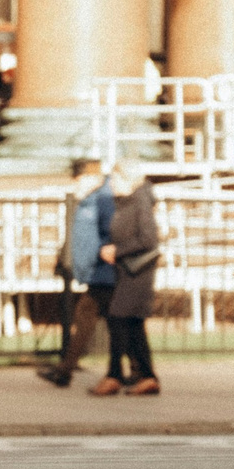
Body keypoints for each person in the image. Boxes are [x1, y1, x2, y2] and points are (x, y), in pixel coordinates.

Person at [39, 158, 111, 388]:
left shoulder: (102, 200)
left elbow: (107, 234)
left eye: (78, 180)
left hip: (105, 271)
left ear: (90, 178)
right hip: (99, 271)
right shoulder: (92, 200)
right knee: (106, 322)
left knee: (97, 319)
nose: (75, 186)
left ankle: (66, 370)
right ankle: (67, 369)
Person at [92, 166, 161, 396]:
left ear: (127, 179)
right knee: (133, 324)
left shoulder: (139, 202)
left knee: (118, 318)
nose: (111, 184)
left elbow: (149, 239)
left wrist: (117, 250)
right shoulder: (127, 202)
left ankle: (114, 375)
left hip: (137, 273)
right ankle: (147, 376)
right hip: (128, 271)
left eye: (114, 179)